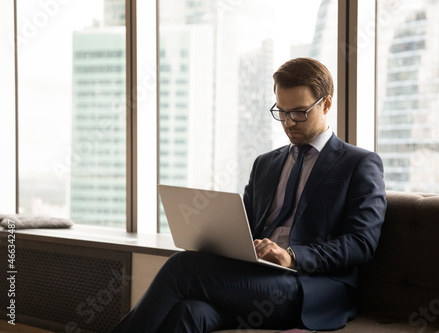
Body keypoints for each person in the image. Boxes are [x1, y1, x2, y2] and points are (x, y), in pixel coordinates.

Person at [110, 57, 387, 333]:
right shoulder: (266, 164)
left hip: (308, 288)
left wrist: (292, 256)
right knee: (190, 312)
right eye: (282, 111)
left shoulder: (359, 163)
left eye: (299, 112)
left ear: (326, 104)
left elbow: (361, 243)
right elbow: (243, 227)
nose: (289, 123)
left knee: (181, 267)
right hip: (255, 278)